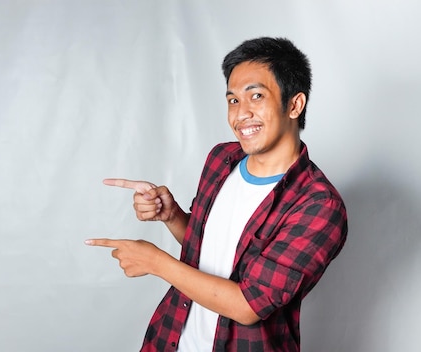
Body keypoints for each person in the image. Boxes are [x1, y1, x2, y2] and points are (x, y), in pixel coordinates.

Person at [86, 37, 348, 351]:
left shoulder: (319, 205)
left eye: (256, 96)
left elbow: (248, 305)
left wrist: (155, 262)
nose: (240, 114)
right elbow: (210, 252)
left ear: (294, 104)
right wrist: (172, 216)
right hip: (171, 339)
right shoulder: (222, 159)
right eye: (233, 100)